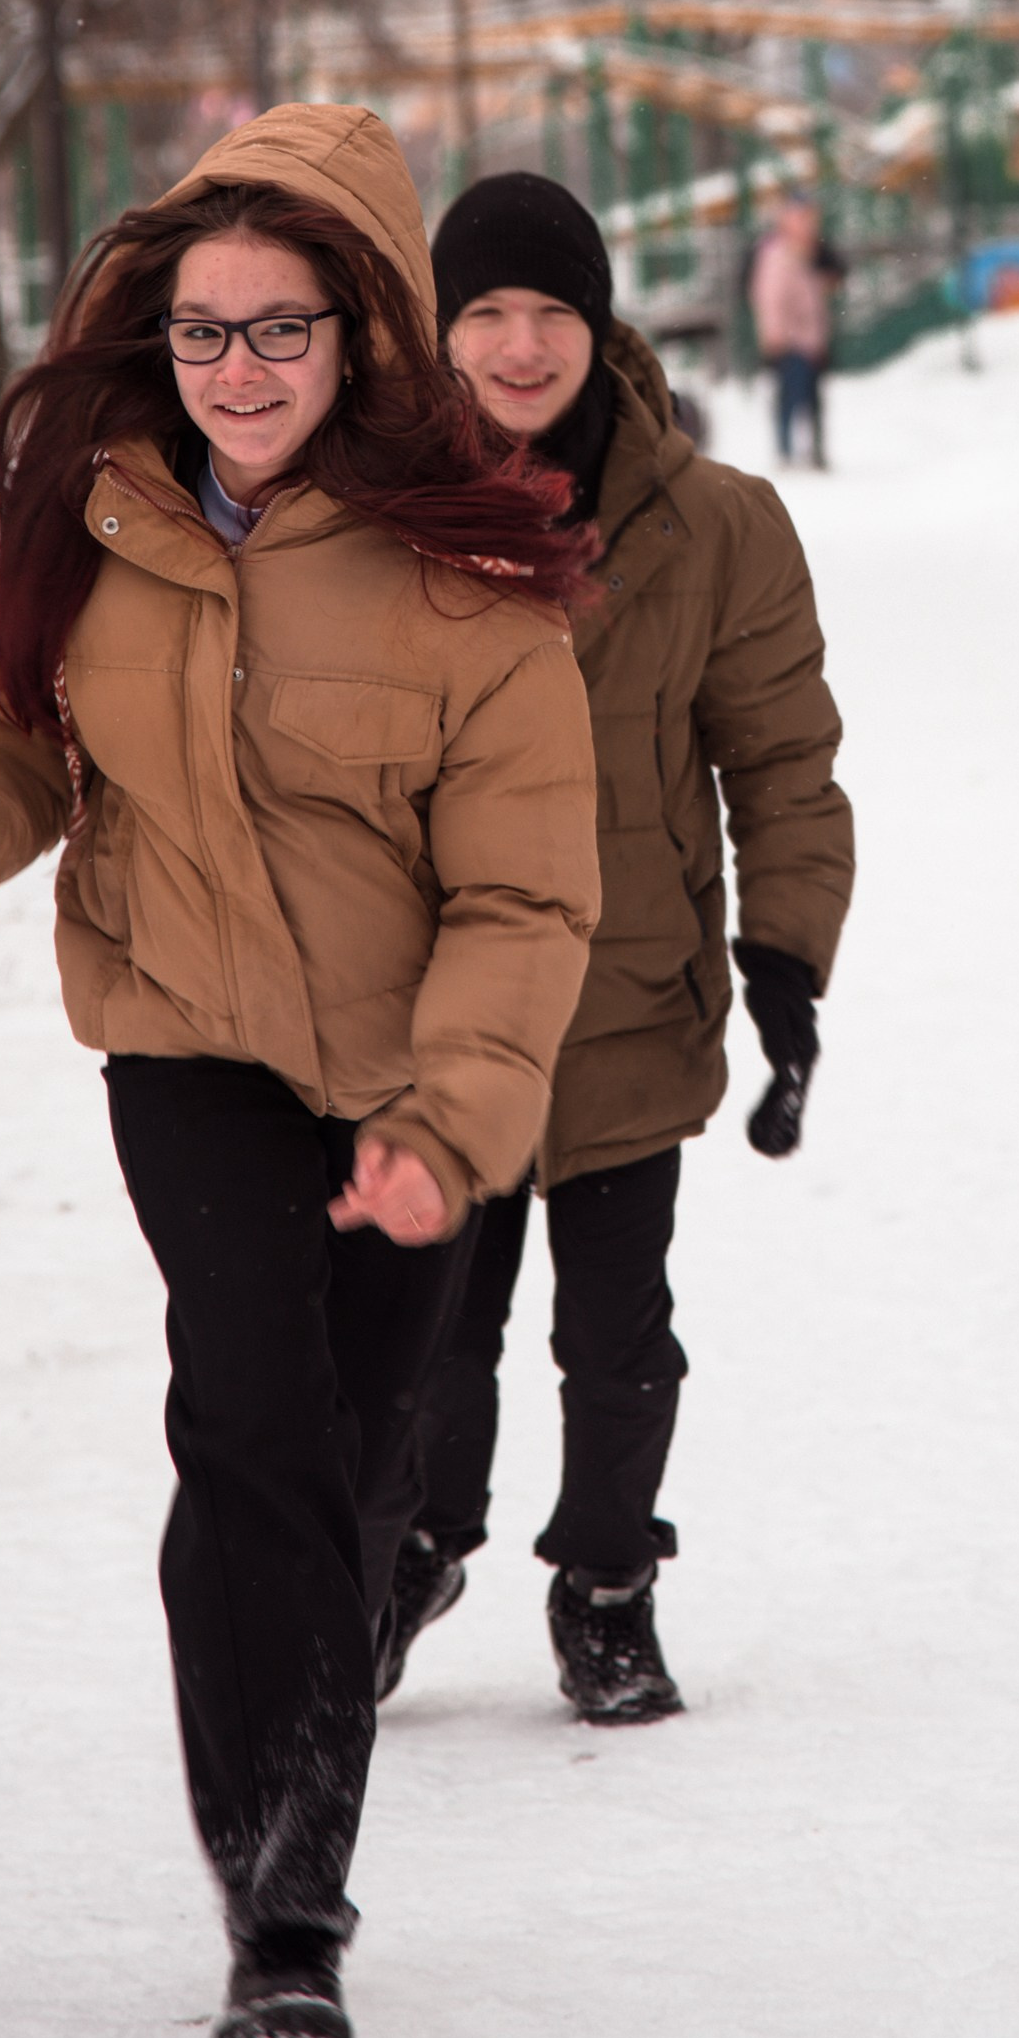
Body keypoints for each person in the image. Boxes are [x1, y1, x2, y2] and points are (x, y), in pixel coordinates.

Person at [0, 107, 599, 2038]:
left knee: (346, 1473)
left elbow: (526, 897)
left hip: (403, 1086)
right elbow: (10, 732)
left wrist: (447, 1124)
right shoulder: (102, 520)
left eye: (280, 328)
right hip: (186, 1047)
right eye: (203, 330)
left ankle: (291, 1802)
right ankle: (284, 1913)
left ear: (361, 333)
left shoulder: (470, 580)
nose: (238, 368)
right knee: (251, 1420)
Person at [386, 170, 854, 1726]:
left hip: (626, 991)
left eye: (553, 313)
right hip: (432, 1003)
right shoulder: (368, 520)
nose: (521, 347)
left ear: (602, 326)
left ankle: (605, 1581)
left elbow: (781, 762)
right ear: (439, 332)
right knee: (428, 1325)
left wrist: (785, 959)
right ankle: (415, 1549)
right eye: (486, 314)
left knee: (615, 1331)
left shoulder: (717, 526)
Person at [749, 193, 839, 469]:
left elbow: (818, 288)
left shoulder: (810, 251)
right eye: (803, 218)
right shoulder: (777, 253)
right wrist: (775, 334)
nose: (809, 225)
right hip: (791, 340)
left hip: (811, 339)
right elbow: (770, 297)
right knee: (790, 396)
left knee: (813, 398)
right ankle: (785, 451)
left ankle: (815, 451)